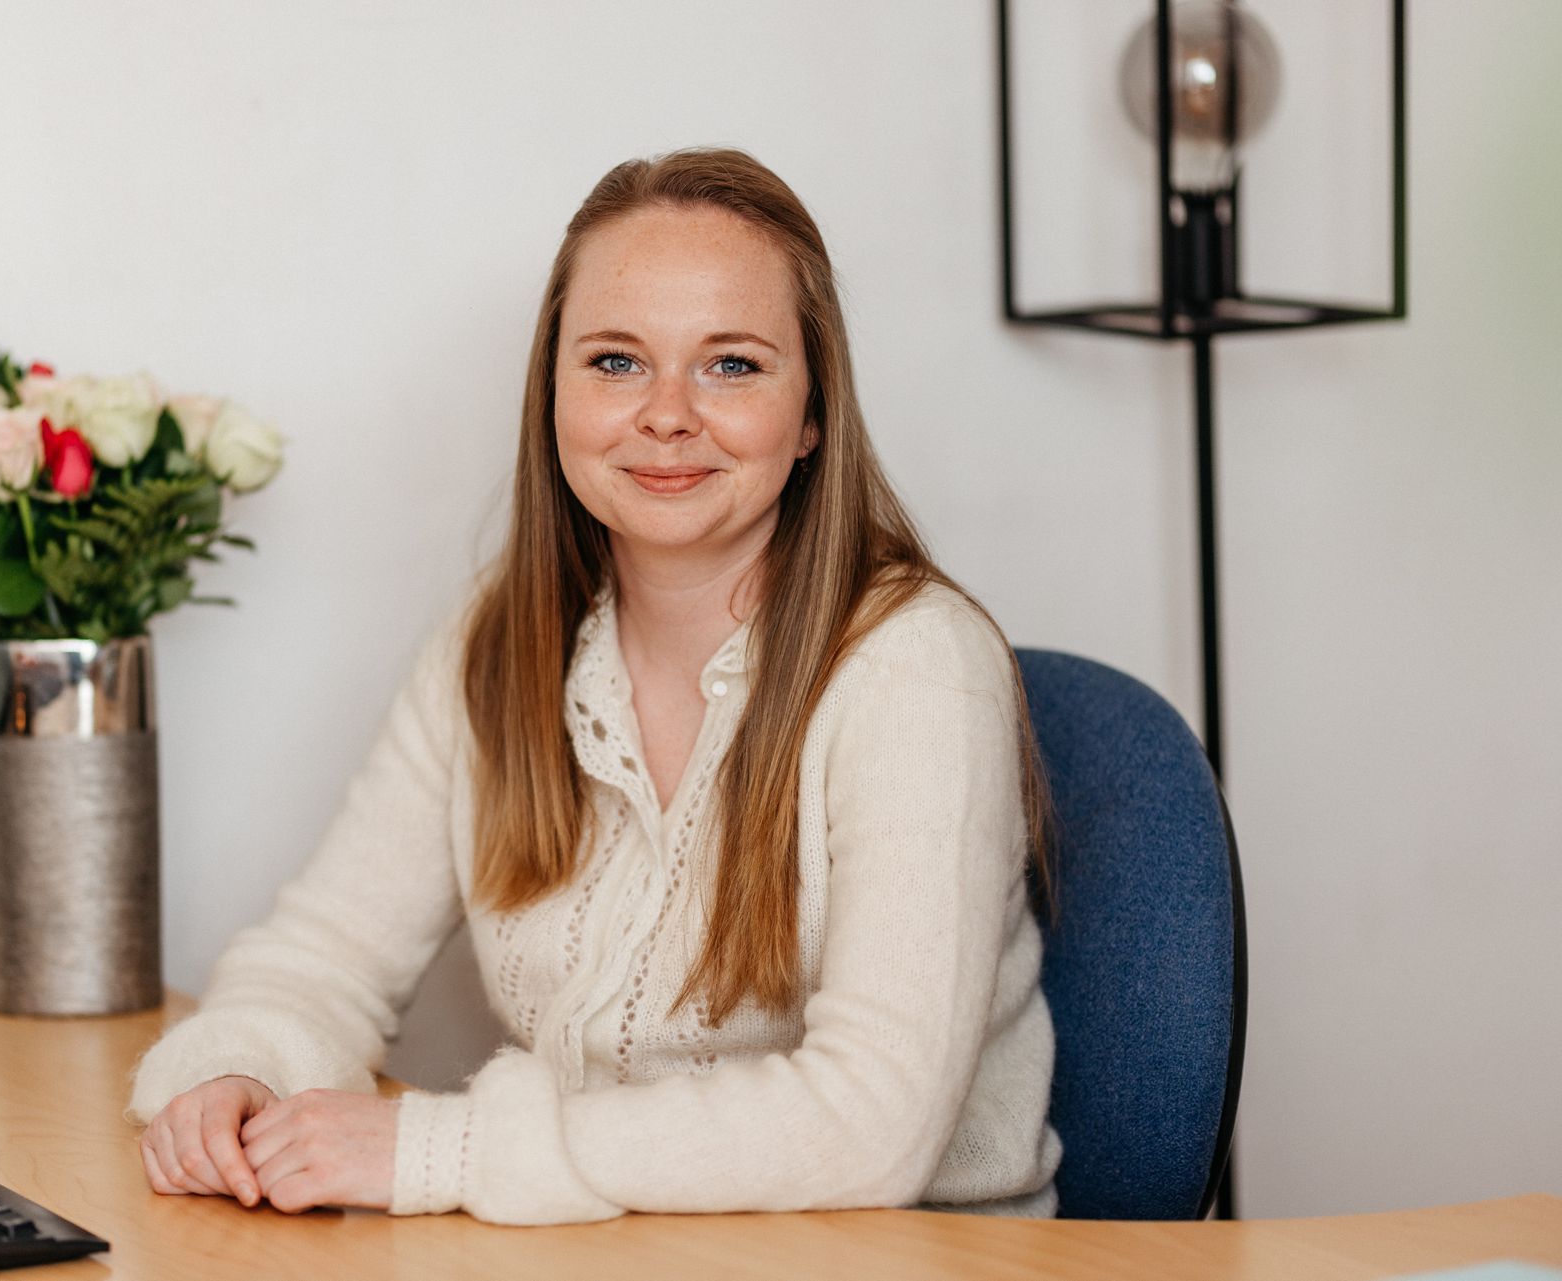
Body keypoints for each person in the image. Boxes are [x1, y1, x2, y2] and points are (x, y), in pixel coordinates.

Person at [126, 147, 1063, 1224]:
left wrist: (439, 1150)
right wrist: (234, 1072)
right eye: (616, 362)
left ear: (813, 415)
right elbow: (323, 956)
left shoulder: (916, 668)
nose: (666, 413)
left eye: (733, 365)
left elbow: (870, 1125)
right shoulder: (498, 642)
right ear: (553, 395)